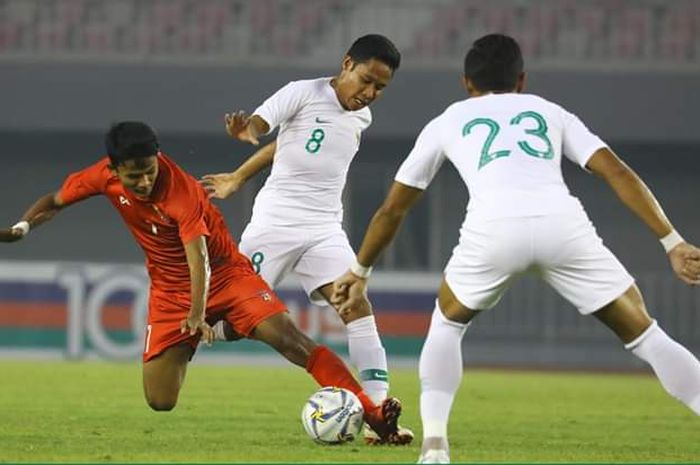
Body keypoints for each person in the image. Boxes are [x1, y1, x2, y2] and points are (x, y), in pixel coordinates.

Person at [330, 34, 700, 463]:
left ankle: (434, 446)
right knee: (647, 334)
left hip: (493, 230)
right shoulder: (551, 112)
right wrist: (672, 241)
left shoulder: (449, 120)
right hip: (562, 226)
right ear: (521, 80)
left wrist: (359, 272)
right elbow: (616, 171)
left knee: (447, 326)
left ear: (466, 82)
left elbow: (393, 209)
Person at [0, 121, 408, 444]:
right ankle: (214, 334)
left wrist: (198, 315)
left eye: (148, 171)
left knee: (291, 341)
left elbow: (200, 260)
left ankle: (376, 416)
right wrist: (23, 226)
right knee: (160, 401)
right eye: (133, 176)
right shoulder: (100, 178)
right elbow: (54, 202)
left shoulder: (180, 191)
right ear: (113, 169)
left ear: (158, 158)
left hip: (228, 275)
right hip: (169, 292)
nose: (143, 182)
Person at [200, 34, 412, 444]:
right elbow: (263, 128)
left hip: (324, 228)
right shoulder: (303, 92)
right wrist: (247, 136)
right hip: (275, 224)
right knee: (232, 318)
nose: (370, 93)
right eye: (366, 80)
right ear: (347, 63)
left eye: (380, 88)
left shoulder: (361, 117)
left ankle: (380, 411)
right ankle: (196, 333)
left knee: (354, 301)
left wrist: (241, 174)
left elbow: (289, 145)